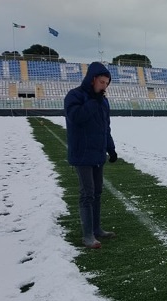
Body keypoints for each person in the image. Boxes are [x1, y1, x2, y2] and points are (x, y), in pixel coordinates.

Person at [64, 62, 117, 249]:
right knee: (87, 194)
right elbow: (76, 118)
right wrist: (93, 102)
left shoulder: (103, 101)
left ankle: (96, 229)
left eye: (106, 83)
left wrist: (111, 148)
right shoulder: (75, 96)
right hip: (82, 154)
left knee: (97, 193)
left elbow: (105, 128)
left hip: (98, 154)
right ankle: (87, 236)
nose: (104, 86)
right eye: (102, 82)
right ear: (93, 79)